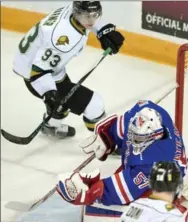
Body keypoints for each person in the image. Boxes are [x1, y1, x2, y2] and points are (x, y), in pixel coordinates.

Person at [13, 1, 124, 138]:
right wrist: (49, 93)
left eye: (94, 15)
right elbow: (38, 72)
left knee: (61, 104)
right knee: (94, 105)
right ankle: (108, 141)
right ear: (77, 12)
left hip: (38, 63)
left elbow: (88, 16)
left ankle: (51, 126)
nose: (91, 20)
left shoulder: (74, 11)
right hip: (35, 74)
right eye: (86, 16)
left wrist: (103, 31)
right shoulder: (63, 38)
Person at [56, 100, 188, 206]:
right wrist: (108, 137)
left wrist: (91, 192)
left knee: (153, 202)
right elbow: (123, 125)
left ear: (151, 138)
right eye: (132, 133)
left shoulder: (157, 166)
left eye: (137, 138)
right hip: (153, 158)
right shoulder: (142, 112)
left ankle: (172, 209)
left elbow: (116, 191)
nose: (132, 139)